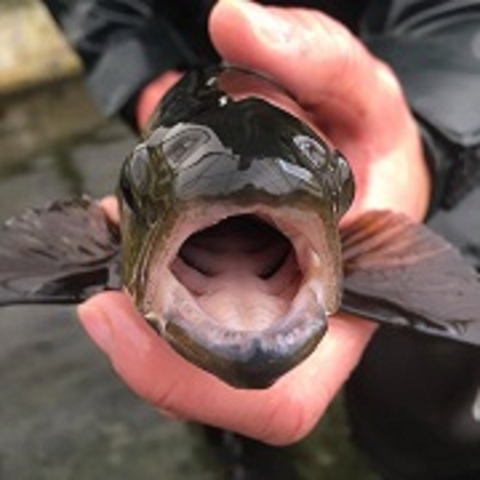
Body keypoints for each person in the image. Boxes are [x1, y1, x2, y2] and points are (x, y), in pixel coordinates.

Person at [41, 0, 480, 478]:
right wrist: (148, 80)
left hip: (394, 89)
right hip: (182, 80)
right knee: (224, 420)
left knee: (420, 383)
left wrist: (421, 136)